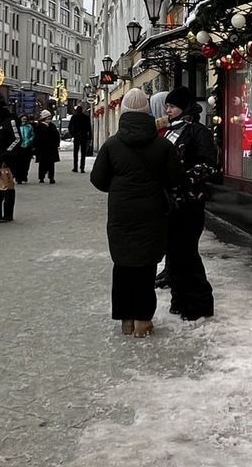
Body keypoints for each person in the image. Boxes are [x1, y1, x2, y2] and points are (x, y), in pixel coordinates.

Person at [90, 89, 185, 338]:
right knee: (145, 266)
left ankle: (126, 320)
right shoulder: (162, 145)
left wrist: (120, 187)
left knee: (122, 265)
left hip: (121, 213)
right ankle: (143, 320)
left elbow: (97, 179)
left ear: (123, 113)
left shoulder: (111, 144)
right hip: (152, 211)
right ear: (147, 112)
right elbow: (175, 178)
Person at [160, 87, 217, 321]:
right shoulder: (168, 132)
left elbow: (209, 165)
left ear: (183, 108)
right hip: (170, 203)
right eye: (167, 106)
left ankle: (200, 302)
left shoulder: (197, 132)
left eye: (172, 106)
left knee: (187, 254)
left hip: (190, 203)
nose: (168, 110)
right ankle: (180, 299)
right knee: (174, 253)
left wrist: (183, 178)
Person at [34, 110, 60, 184]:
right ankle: (41, 177)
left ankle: (51, 177)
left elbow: (56, 136)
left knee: (51, 164)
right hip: (42, 148)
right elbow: (37, 137)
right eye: (47, 117)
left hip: (51, 148)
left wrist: (56, 144)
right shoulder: (39, 126)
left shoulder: (52, 126)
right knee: (42, 163)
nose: (49, 118)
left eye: (50, 117)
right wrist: (36, 146)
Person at [68, 105, 92, 173]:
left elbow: (70, 127)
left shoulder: (74, 117)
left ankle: (75, 167)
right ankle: (82, 168)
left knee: (75, 152)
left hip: (77, 136)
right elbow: (89, 128)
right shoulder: (86, 117)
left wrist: (73, 134)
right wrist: (90, 137)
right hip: (84, 136)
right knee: (83, 153)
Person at [13, 114, 35, 184]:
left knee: (26, 163)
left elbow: (32, 135)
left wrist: (29, 141)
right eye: (23, 118)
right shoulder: (17, 127)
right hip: (18, 147)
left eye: (25, 119)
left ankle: (24, 176)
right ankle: (18, 178)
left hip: (27, 147)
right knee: (18, 163)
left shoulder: (29, 127)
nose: (24, 120)